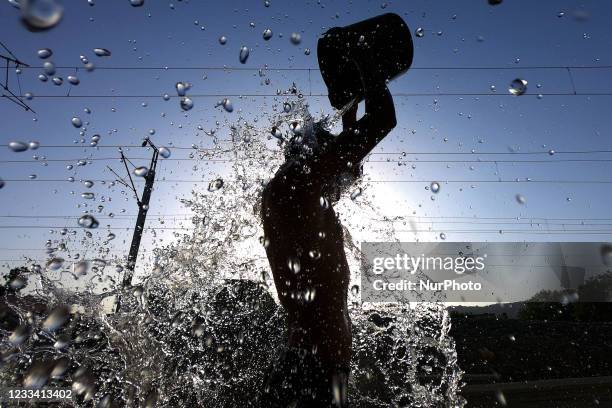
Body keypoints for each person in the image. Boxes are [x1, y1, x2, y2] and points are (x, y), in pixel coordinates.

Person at [259, 59, 397, 407]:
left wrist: (350, 102)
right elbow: (383, 120)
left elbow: (351, 169)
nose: (344, 174)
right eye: (333, 156)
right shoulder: (297, 186)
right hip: (312, 375)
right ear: (317, 159)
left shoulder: (298, 194)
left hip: (317, 369)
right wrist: (365, 58)